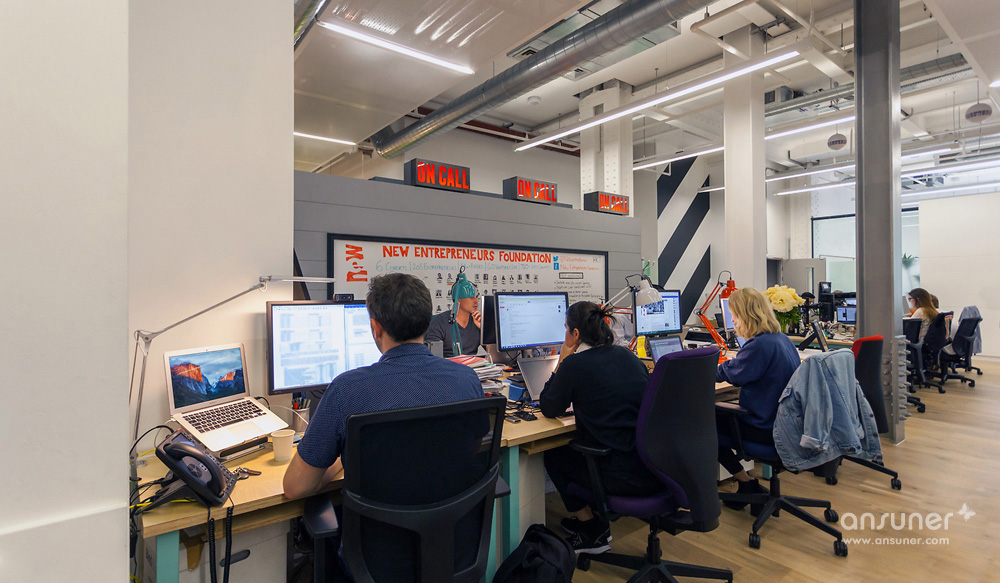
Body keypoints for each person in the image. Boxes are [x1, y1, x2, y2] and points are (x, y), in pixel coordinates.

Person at [283, 273, 483, 500]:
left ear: (375, 328)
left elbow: (295, 487)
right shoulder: (467, 379)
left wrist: (341, 458)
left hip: (377, 523)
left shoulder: (346, 390)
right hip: (453, 519)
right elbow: (470, 448)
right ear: (428, 323)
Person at [538, 301, 663, 554]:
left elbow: (549, 407)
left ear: (575, 334)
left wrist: (562, 360)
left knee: (553, 453)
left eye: (566, 329)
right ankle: (593, 518)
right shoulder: (628, 356)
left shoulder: (575, 365)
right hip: (652, 466)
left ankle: (592, 529)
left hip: (618, 475)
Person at [716, 287, 801, 509]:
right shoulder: (781, 339)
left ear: (746, 315)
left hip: (765, 428)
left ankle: (745, 483)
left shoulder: (759, 346)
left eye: (734, 314)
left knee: (703, 425)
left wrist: (699, 368)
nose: (732, 320)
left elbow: (731, 374)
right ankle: (745, 484)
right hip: (785, 425)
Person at [424, 278, 481, 358]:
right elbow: (432, 356)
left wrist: (483, 328)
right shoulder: (439, 322)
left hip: (474, 365)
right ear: (458, 299)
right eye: (471, 297)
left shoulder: (478, 321)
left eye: (477, 296)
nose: (476, 301)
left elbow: (493, 355)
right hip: (446, 364)